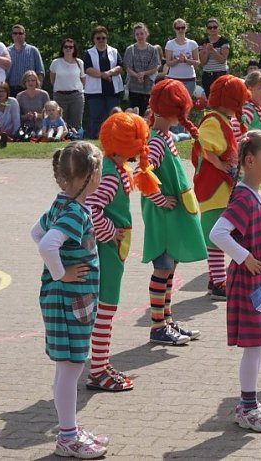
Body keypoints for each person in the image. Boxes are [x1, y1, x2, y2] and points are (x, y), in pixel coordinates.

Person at [31, 141, 109, 459]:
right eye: (100, 171)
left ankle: (70, 429)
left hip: (71, 302)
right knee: (72, 367)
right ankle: (66, 437)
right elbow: (46, 244)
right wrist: (61, 274)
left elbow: (37, 232)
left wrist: (59, 269)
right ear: (91, 175)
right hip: (68, 302)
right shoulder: (75, 211)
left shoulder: (63, 203)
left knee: (67, 367)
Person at [208, 130, 261, 432]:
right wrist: (244, 257)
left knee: (260, 341)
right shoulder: (243, 197)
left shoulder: (256, 193)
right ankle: (247, 406)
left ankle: (249, 402)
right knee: (254, 344)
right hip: (251, 284)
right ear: (250, 161)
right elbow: (217, 233)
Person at [84, 113, 160, 391]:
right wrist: (110, 231)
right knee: (106, 309)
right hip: (106, 251)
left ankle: (100, 363)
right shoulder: (110, 175)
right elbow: (91, 209)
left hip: (112, 250)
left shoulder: (113, 169)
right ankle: (98, 370)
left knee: (106, 310)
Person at [141, 80, 208, 345]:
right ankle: (158, 326)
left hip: (174, 216)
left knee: (169, 269)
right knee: (163, 269)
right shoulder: (157, 141)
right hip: (163, 218)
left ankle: (166, 321)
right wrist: (158, 198)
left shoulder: (166, 137)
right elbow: (142, 174)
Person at [194, 75, 251, 301]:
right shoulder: (213, 121)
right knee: (216, 236)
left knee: (219, 233)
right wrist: (220, 164)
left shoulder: (222, 119)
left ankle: (215, 278)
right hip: (213, 187)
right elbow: (204, 145)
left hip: (221, 187)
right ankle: (218, 283)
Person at [83, 26, 124, 139]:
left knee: (115, 116)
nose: (101, 40)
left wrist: (109, 73)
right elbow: (88, 69)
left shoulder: (114, 51)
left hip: (113, 91)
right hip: (95, 92)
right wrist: (103, 75)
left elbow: (120, 67)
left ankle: (115, 137)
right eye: (98, 38)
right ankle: (97, 138)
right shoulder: (89, 53)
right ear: (93, 39)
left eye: (103, 38)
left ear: (107, 38)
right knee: (96, 117)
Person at [49, 39, 86, 133]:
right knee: (59, 123)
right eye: (66, 47)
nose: (68, 49)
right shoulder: (56, 62)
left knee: (76, 123)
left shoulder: (79, 62)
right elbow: (52, 79)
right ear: (62, 49)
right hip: (59, 96)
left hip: (76, 96)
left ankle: (76, 139)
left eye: (71, 47)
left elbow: (83, 79)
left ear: (74, 49)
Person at [123, 23, 160, 116]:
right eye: (137, 34)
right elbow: (127, 67)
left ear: (146, 34)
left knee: (147, 114)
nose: (139, 36)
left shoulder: (153, 50)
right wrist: (137, 75)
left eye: (141, 33)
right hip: (133, 87)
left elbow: (155, 67)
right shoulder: (130, 49)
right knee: (134, 113)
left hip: (148, 87)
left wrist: (144, 73)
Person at [165, 17, 201, 99]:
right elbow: (168, 63)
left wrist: (186, 60)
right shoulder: (170, 44)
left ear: (186, 28)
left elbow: (197, 62)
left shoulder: (192, 43)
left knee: (186, 102)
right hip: (174, 78)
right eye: (178, 28)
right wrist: (178, 60)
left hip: (189, 79)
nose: (180, 30)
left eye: (183, 27)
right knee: (174, 102)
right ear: (174, 29)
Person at [6, 25, 44, 97]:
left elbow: (40, 72)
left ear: (24, 35)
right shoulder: (6, 51)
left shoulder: (33, 50)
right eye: (15, 33)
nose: (18, 35)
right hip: (11, 89)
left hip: (29, 89)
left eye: (20, 33)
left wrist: (38, 89)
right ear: (12, 35)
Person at [17, 70, 51, 141]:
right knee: (29, 136)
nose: (30, 83)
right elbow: (18, 116)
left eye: (33, 80)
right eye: (28, 81)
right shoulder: (20, 96)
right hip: (26, 126)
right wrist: (26, 116)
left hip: (42, 125)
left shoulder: (44, 94)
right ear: (24, 82)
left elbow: (50, 113)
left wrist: (39, 115)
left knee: (40, 135)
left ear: (36, 82)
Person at [200, 18, 230, 95]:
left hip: (220, 74)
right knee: (209, 98)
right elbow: (203, 62)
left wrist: (213, 51)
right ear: (207, 29)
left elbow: (222, 60)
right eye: (210, 27)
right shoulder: (203, 42)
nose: (212, 29)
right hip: (207, 75)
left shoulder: (224, 41)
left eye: (215, 27)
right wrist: (206, 51)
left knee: (221, 97)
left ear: (218, 28)